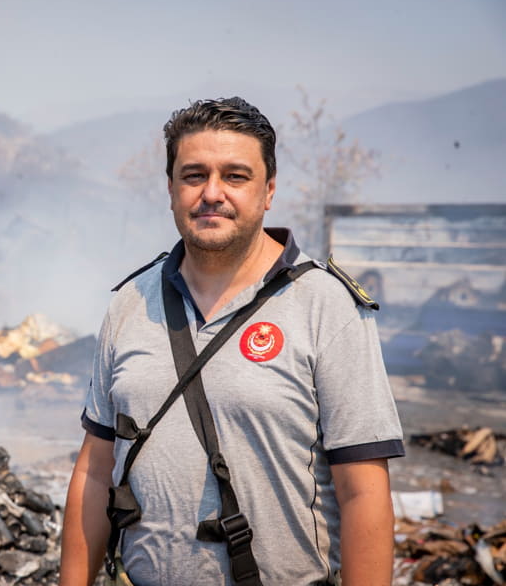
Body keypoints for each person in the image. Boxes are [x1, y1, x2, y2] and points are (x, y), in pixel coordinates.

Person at [60, 97, 404, 586]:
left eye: (236, 177)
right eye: (194, 175)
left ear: (268, 191)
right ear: (172, 188)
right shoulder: (129, 304)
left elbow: (363, 492)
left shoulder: (326, 305)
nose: (212, 193)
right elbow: (95, 472)